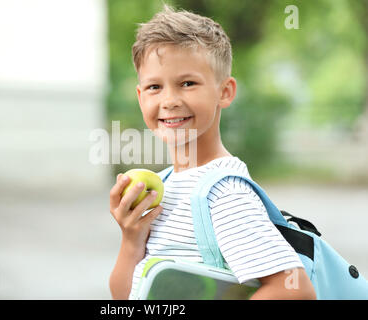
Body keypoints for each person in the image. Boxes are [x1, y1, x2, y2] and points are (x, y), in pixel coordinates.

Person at [108, 4, 316, 300]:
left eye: (187, 83)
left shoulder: (224, 193)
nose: (169, 100)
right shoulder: (163, 185)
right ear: (140, 97)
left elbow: (294, 290)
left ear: (225, 91)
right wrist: (131, 239)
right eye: (155, 87)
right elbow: (125, 296)